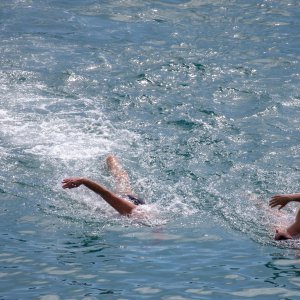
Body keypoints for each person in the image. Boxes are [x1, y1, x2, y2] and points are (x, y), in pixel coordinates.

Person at [62, 154, 145, 216]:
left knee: (122, 181)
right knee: (121, 185)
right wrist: (83, 181)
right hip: (131, 206)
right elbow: (105, 193)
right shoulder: (136, 214)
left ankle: (111, 159)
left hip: (136, 205)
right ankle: (111, 160)